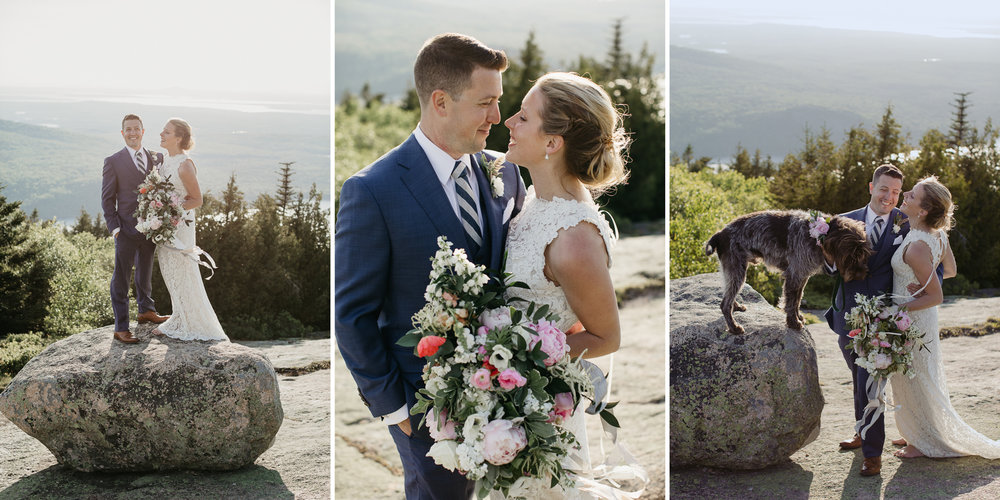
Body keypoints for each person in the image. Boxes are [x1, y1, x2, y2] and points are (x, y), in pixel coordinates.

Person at [335, 33, 525, 500]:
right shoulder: (373, 190)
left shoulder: (507, 172)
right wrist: (393, 408)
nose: (497, 117)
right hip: (424, 407)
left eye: (498, 102)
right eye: (486, 103)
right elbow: (351, 313)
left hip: (512, 392)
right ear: (440, 101)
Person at [500, 71, 646, 498]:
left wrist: (518, 356)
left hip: (541, 411)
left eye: (523, 117)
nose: (509, 122)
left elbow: (606, 336)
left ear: (552, 143)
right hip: (510, 401)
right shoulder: (535, 200)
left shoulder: (574, 238)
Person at [887, 177, 1000, 459]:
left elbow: (936, 297)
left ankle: (922, 442)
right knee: (912, 376)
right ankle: (914, 431)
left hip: (911, 320)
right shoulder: (936, 235)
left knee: (916, 378)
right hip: (919, 316)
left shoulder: (916, 247)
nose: (906, 195)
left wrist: (899, 308)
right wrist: (923, 281)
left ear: (923, 210)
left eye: (912, 195)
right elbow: (949, 270)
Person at [825, 164, 907, 476]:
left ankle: (872, 454)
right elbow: (827, 266)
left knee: (870, 382)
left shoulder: (905, 222)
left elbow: (929, 256)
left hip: (883, 317)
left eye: (896, 192)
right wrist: (831, 261)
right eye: (885, 189)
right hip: (846, 313)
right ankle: (862, 431)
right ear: (871, 187)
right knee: (859, 380)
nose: (890, 197)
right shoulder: (842, 221)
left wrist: (925, 284)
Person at [151, 118, 228, 341]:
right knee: (169, 270)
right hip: (166, 225)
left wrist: (168, 210)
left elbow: (196, 199)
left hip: (180, 226)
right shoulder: (166, 160)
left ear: (179, 138)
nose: (161, 134)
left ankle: (193, 323)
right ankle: (179, 316)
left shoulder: (184, 165)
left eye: (166, 132)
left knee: (183, 271)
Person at [102, 114, 169, 343]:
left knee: (145, 271)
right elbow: (107, 199)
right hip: (126, 230)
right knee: (121, 278)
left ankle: (146, 310)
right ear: (123, 133)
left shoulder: (156, 157)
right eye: (128, 129)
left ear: (143, 131)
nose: (132, 133)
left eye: (136, 129)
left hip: (151, 228)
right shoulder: (113, 161)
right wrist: (115, 229)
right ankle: (121, 326)